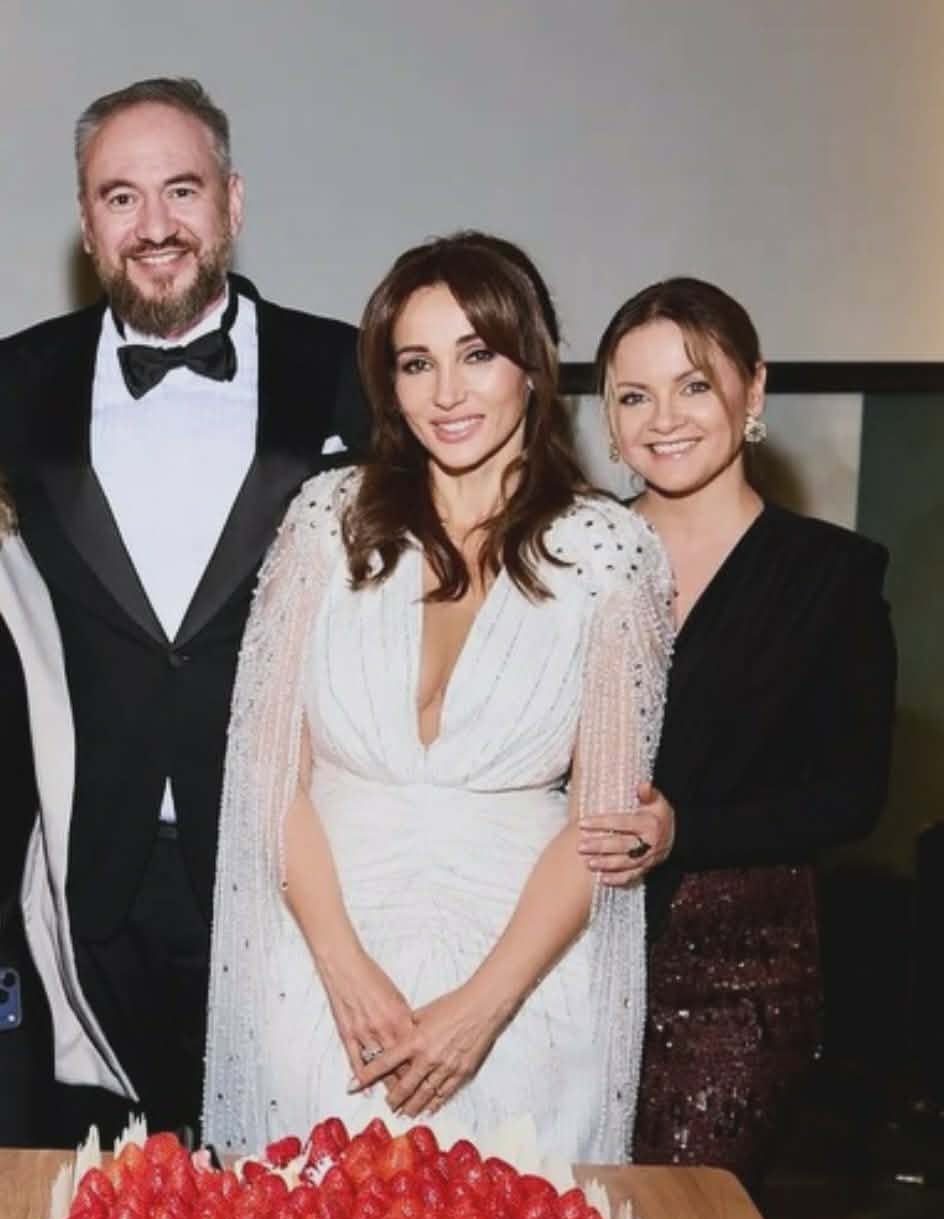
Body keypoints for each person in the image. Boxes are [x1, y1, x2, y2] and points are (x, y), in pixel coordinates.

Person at [203, 232, 675, 1158]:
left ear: (532, 366)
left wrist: (480, 1011)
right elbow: (268, 779)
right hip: (319, 973)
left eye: (477, 355)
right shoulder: (325, 522)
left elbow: (601, 830)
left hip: (524, 989)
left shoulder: (610, 553)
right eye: (416, 363)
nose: (447, 393)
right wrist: (342, 970)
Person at [0, 77, 367, 1143]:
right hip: (87, 865)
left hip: (288, 857)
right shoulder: (17, 380)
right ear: (86, 222)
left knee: (281, 1174)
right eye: (120, 197)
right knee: (117, 1186)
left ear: (233, 201)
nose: (154, 225)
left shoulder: (346, 369)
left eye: (182, 190)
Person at [579, 276, 896, 1184]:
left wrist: (686, 830)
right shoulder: (571, 554)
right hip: (562, 955)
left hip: (731, 972)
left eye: (694, 386)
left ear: (752, 391)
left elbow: (852, 796)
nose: (664, 420)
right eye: (634, 396)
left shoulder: (831, 576)